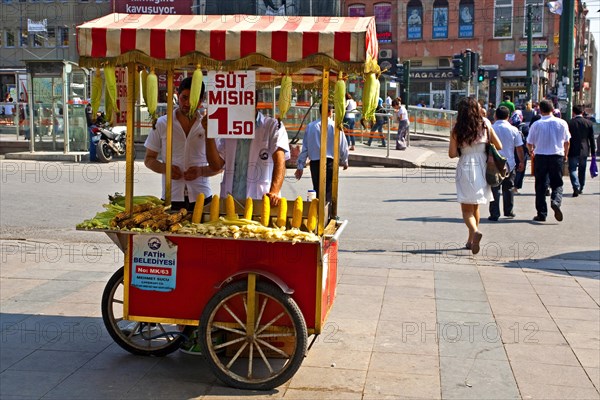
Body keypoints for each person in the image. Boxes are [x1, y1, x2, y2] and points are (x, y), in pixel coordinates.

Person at [144, 76, 215, 212]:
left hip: (202, 196)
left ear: (200, 101)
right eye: (184, 97)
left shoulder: (208, 125)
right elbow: (148, 159)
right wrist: (165, 168)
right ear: (177, 95)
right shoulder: (162, 123)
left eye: (192, 99)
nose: (187, 103)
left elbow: (219, 165)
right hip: (172, 197)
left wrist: (201, 171)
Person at [205, 103, 290, 207]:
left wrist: (274, 191)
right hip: (231, 203)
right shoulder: (229, 127)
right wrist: (208, 133)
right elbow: (216, 165)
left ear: (253, 103)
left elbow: (280, 161)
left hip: (259, 202)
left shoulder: (272, 125)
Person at [448, 97, 502, 254]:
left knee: (466, 209)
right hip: (483, 166)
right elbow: (499, 145)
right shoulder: (485, 123)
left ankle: (474, 232)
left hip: (465, 165)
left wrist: (462, 148)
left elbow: (451, 154)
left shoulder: (457, 128)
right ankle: (470, 241)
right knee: (476, 205)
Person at [526, 99, 570, 222]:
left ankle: (541, 213)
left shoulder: (536, 124)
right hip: (557, 155)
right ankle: (556, 201)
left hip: (540, 156)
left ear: (540, 110)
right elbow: (567, 142)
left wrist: (531, 151)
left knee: (540, 185)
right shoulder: (562, 123)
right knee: (557, 183)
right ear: (552, 109)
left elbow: (529, 142)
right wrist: (565, 154)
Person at [294, 103, 349, 202]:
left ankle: (317, 213)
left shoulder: (311, 126)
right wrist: (345, 160)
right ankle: (326, 214)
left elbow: (305, 148)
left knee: (317, 188)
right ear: (329, 112)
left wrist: (300, 166)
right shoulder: (335, 125)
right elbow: (342, 144)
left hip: (315, 163)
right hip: (330, 162)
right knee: (329, 190)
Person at [488, 106, 525, 221]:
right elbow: (519, 148)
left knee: (494, 187)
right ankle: (508, 211)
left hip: (494, 163)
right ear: (508, 117)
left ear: (495, 116)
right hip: (510, 163)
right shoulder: (514, 130)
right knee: (508, 187)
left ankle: (494, 213)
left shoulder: (491, 129)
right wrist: (522, 161)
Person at [567, 104, 596, 197]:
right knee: (582, 169)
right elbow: (591, 138)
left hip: (572, 149)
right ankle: (581, 187)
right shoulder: (588, 123)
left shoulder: (570, 123)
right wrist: (593, 152)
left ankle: (576, 186)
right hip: (584, 149)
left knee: (572, 169)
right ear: (582, 112)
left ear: (573, 112)